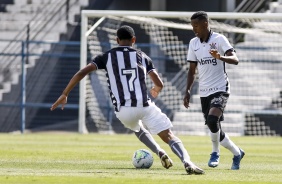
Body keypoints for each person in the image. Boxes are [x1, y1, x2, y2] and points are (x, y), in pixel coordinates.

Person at [50, 25, 204, 175]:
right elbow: (159, 84)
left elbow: (81, 72)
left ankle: (159, 151)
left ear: (117, 40)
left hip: (123, 111)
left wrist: (65, 93)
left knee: (136, 128)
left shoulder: (106, 56)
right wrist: (156, 89)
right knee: (169, 136)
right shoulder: (143, 56)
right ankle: (187, 161)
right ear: (134, 40)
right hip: (144, 106)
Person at [183, 11, 245, 170]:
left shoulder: (219, 39)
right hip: (204, 91)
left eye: (196, 25)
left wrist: (220, 57)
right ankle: (237, 153)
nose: (194, 29)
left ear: (205, 24)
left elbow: (235, 60)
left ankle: (215, 152)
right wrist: (188, 91)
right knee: (215, 128)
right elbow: (191, 70)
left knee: (212, 120)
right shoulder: (193, 43)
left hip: (220, 88)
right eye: (192, 26)